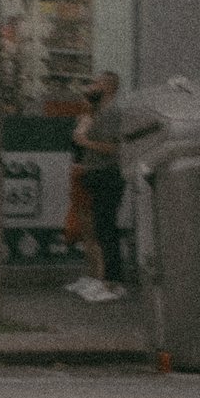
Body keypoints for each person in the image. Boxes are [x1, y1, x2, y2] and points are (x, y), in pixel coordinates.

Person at [69, 72, 128, 301]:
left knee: (106, 227)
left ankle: (112, 281)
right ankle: (104, 279)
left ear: (107, 86)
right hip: (96, 173)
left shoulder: (112, 113)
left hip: (107, 174)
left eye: (96, 83)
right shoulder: (100, 112)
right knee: (100, 227)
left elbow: (115, 148)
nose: (91, 86)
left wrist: (87, 143)